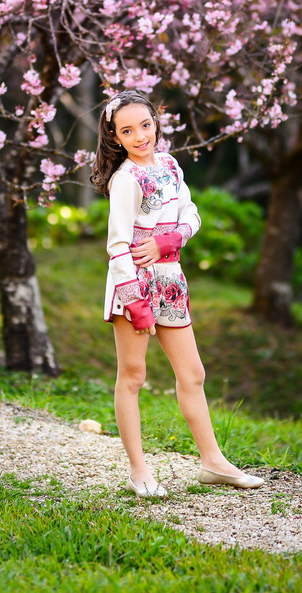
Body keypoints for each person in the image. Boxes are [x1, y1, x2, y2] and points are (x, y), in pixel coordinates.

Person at [90, 89, 264, 498]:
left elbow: (192, 215)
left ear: (156, 123)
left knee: (194, 374)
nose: (139, 136)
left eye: (145, 125)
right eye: (127, 130)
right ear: (115, 137)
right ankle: (139, 471)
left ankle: (213, 463)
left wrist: (170, 240)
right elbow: (117, 246)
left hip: (170, 282)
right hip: (134, 285)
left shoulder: (169, 165)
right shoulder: (125, 180)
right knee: (133, 376)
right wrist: (134, 301)